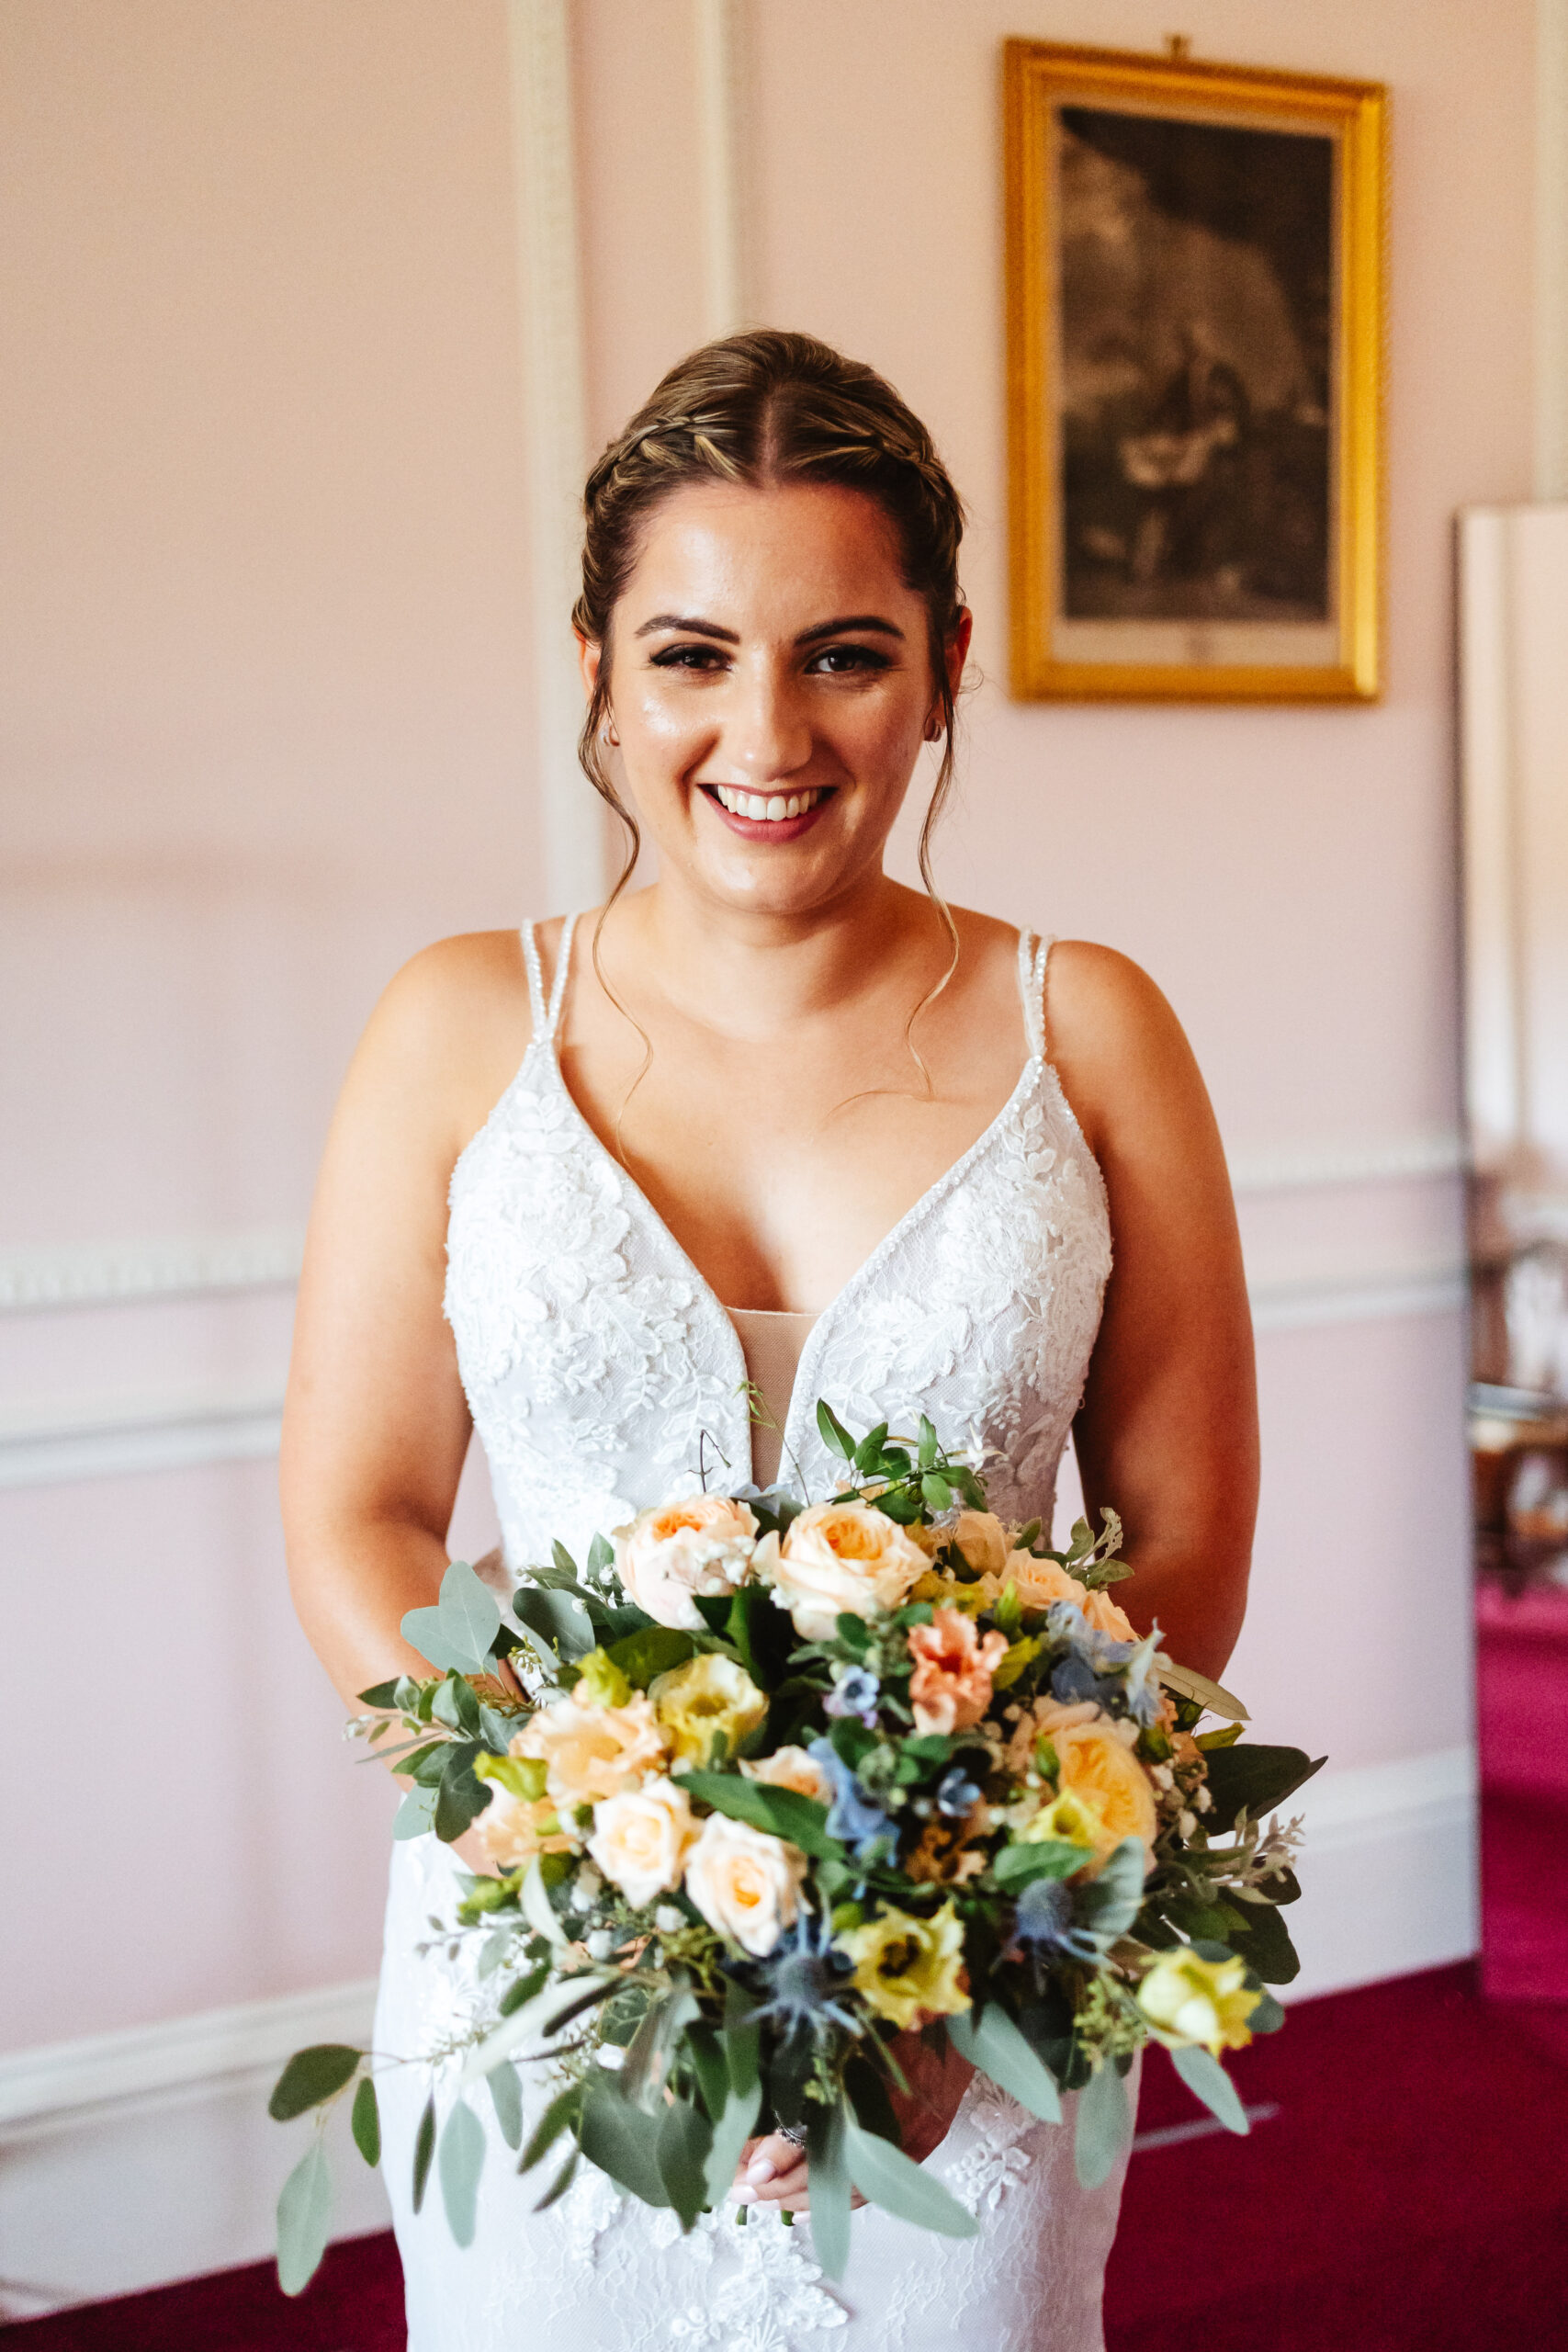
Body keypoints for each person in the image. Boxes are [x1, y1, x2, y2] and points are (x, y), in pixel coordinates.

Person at [280, 330, 1257, 2351]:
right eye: (691, 653)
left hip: (966, 1997)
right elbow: (360, 1517)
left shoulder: (1092, 1032)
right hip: (562, 1972)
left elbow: (1174, 1542)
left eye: (842, 651)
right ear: (595, 666)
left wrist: (951, 1949)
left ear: (944, 661)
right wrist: (601, 1879)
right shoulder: (457, 1026)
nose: (766, 730)